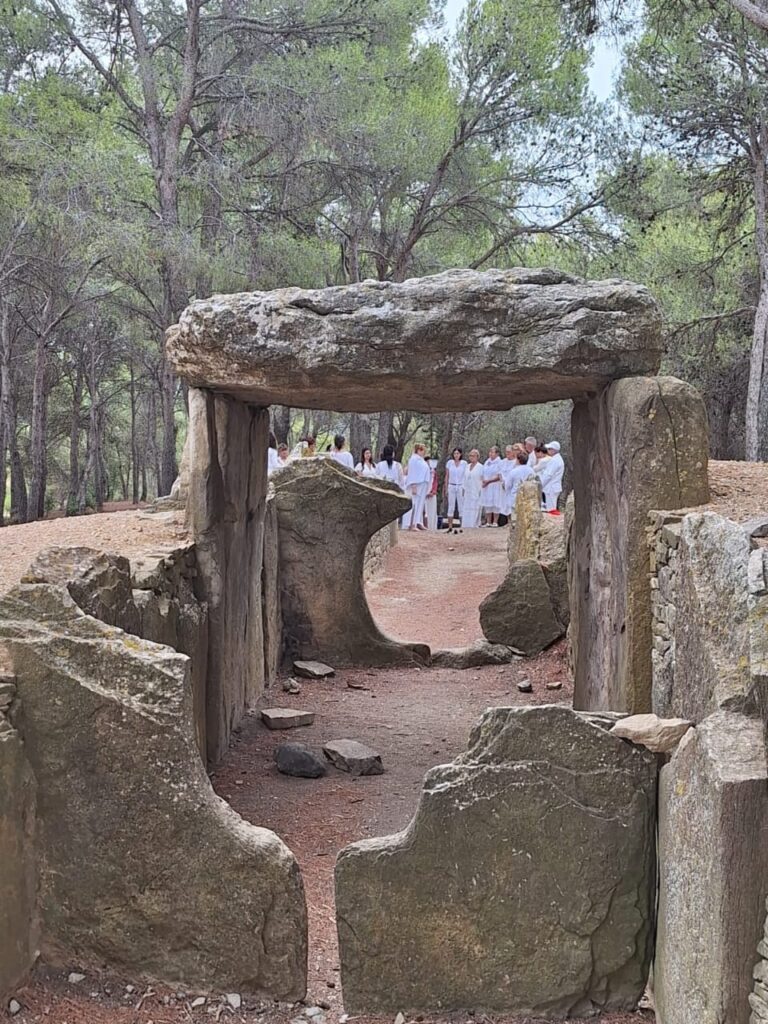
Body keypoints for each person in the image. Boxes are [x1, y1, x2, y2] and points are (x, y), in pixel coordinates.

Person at [403, 443, 431, 531]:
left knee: (420, 504)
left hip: (423, 483)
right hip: (416, 484)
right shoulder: (414, 459)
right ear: (417, 450)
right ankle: (411, 524)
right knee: (414, 503)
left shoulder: (421, 460)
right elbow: (413, 473)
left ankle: (418, 522)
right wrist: (413, 484)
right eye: (421, 450)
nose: (423, 452)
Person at [536, 441, 565, 512]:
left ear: (553, 450)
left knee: (551, 510)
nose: (547, 451)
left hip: (551, 488)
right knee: (551, 508)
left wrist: (540, 485)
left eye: (549, 449)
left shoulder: (555, 461)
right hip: (553, 487)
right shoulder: (556, 459)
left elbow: (548, 475)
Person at [444, 448, 468, 533]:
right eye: (455, 453)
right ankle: (450, 526)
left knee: (461, 506)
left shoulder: (464, 463)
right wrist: (446, 487)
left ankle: (462, 526)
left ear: (460, 454)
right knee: (451, 506)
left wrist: (465, 487)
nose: (456, 455)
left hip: (460, 485)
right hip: (452, 485)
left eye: (458, 453)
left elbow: (466, 476)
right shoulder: (450, 463)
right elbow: (447, 476)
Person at [505, 450, 535, 514]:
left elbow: (507, 485)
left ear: (518, 460)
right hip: (527, 498)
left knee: (515, 517)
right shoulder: (531, 471)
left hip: (515, 497)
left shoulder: (514, 471)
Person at [481, 445, 503, 526]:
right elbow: (483, 472)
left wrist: (489, 481)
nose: (490, 454)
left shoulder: (500, 462)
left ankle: (495, 522)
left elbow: (499, 475)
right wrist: (484, 481)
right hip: (487, 485)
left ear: (497, 453)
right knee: (488, 503)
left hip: (495, 485)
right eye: (490, 452)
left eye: (492, 452)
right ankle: (488, 521)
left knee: (495, 502)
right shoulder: (487, 462)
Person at [461, 449, 484, 528]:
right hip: (467, 491)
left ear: (477, 457)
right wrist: (463, 490)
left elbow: (482, 479)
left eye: (473, 456)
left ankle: (474, 525)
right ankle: (465, 525)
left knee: (475, 508)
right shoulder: (467, 466)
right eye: (470, 456)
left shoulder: (480, 467)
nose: (471, 457)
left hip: (476, 490)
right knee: (466, 508)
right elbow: (464, 478)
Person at [499, 445, 519, 519]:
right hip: (503, 486)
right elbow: (500, 473)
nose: (507, 454)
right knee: (504, 505)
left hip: (511, 486)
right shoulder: (503, 461)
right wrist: (503, 482)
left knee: (512, 505)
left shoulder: (516, 462)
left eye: (509, 452)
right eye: (506, 452)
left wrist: (508, 483)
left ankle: (512, 521)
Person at [425, 455, 439, 530]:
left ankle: (432, 527)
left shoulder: (434, 473)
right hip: (424, 495)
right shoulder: (423, 472)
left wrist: (433, 491)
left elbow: (435, 483)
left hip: (432, 494)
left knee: (432, 511)